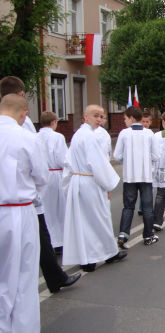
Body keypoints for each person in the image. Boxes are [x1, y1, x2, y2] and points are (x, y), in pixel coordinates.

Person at [0, 76, 81, 295]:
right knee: (30, 250)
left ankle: (55, 277)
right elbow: (35, 165)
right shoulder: (22, 123)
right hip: (23, 198)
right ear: (20, 97)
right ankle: (55, 277)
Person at [0, 94, 48, 333]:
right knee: (23, 275)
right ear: (23, 114)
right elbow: (42, 177)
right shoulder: (27, 138)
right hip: (19, 211)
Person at [63, 104, 127, 272]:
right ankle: (106, 254)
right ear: (85, 117)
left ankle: (88, 259)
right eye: (95, 116)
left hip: (79, 181)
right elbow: (97, 165)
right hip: (90, 182)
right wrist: (107, 185)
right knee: (100, 219)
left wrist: (68, 183)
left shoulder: (78, 135)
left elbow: (68, 162)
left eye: (101, 116)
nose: (99, 120)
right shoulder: (89, 137)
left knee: (84, 221)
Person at [114, 106, 160, 247]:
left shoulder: (124, 133)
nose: (125, 121)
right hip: (146, 176)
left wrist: (127, 160)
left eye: (125, 118)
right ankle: (148, 235)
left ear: (132, 118)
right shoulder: (149, 134)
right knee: (147, 207)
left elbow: (117, 156)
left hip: (130, 177)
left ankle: (123, 234)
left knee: (128, 206)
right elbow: (156, 156)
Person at [37, 111, 68, 252]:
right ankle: (59, 241)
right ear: (54, 122)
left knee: (45, 209)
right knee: (58, 209)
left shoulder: (35, 137)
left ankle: (47, 240)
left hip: (40, 177)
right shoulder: (57, 137)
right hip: (55, 175)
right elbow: (63, 159)